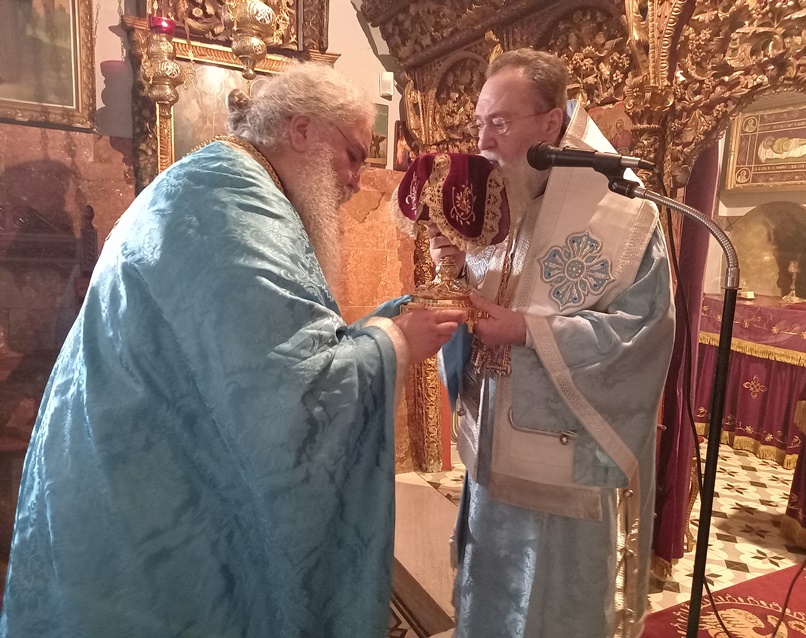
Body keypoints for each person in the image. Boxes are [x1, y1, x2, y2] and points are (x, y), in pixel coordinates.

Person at [0, 61, 464, 637]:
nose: (355, 180)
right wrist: (396, 341)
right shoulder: (237, 207)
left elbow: (271, 351)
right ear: (301, 130)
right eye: (352, 154)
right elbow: (289, 393)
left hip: (131, 457)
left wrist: (383, 324)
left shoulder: (221, 181)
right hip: (147, 487)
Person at [431, 48, 675, 637]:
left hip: (562, 466)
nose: (484, 141)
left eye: (499, 122)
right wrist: (456, 272)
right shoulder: (502, 197)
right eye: (480, 122)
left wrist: (526, 330)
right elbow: (489, 301)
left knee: (553, 609)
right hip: (492, 450)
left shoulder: (621, 211)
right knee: (490, 590)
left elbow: (640, 337)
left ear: (550, 121)